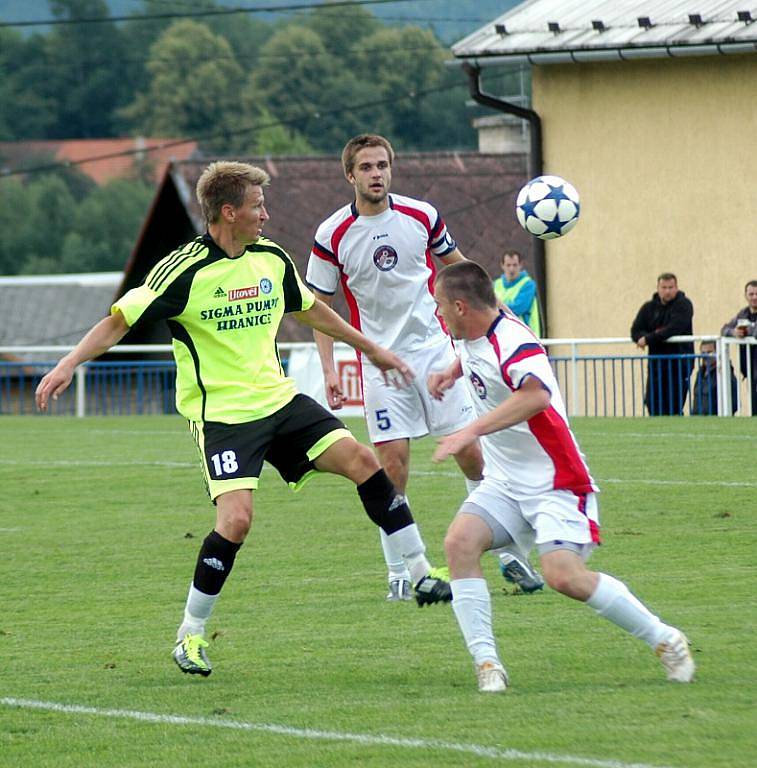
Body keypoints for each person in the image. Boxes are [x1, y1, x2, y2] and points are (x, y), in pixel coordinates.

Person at [35, 161, 455, 678]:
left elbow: (310, 309)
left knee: (365, 461)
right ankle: (189, 636)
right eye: (257, 206)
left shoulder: (271, 258)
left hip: (278, 400)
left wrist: (373, 350)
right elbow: (117, 322)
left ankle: (419, 572)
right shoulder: (183, 271)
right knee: (235, 521)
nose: (266, 214)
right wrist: (67, 364)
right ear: (228, 212)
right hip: (223, 416)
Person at [428, 261, 695, 692]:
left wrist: (470, 431)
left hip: (556, 480)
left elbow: (536, 395)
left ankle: (665, 639)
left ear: (461, 307)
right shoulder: (471, 333)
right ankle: (488, 665)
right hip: (505, 482)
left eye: (441, 307)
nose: (438, 315)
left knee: (562, 575)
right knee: (459, 543)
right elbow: (473, 357)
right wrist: (450, 372)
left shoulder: (513, 338)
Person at [305, 134, 542, 601]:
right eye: (367, 167)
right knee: (391, 467)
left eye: (382, 165)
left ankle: (511, 555)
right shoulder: (331, 233)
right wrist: (330, 370)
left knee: (472, 453)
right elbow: (318, 306)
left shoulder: (422, 216)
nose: (377, 174)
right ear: (350, 175)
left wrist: (497, 311)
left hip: (436, 353)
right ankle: (399, 570)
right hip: (379, 363)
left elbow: (461, 267)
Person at [630, 273, 695, 416]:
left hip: (679, 362)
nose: (667, 291)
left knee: (673, 404)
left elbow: (674, 328)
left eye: (671, 287)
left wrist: (649, 339)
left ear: (676, 288)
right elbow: (635, 330)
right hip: (656, 363)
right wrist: (643, 337)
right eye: (664, 287)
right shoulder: (649, 308)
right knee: (652, 403)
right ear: (658, 288)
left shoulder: (684, 305)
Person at [720, 280, 757, 416]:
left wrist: (747, 332)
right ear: (745, 296)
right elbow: (724, 329)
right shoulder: (743, 314)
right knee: (754, 407)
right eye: (751, 294)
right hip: (750, 370)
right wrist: (734, 333)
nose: (754, 297)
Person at [492, 249, 541, 336]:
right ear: (502, 265)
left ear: (520, 265)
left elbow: (518, 308)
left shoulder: (528, 285)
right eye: (508, 265)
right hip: (502, 334)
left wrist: (495, 307)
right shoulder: (496, 285)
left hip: (524, 335)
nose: (511, 269)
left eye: (515, 265)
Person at [690, 339, 738, 415]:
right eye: (703, 353)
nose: (705, 356)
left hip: (715, 421)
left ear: (718, 353)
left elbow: (734, 403)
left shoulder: (725, 374)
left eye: (709, 352)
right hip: (697, 421)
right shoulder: (700, 373)